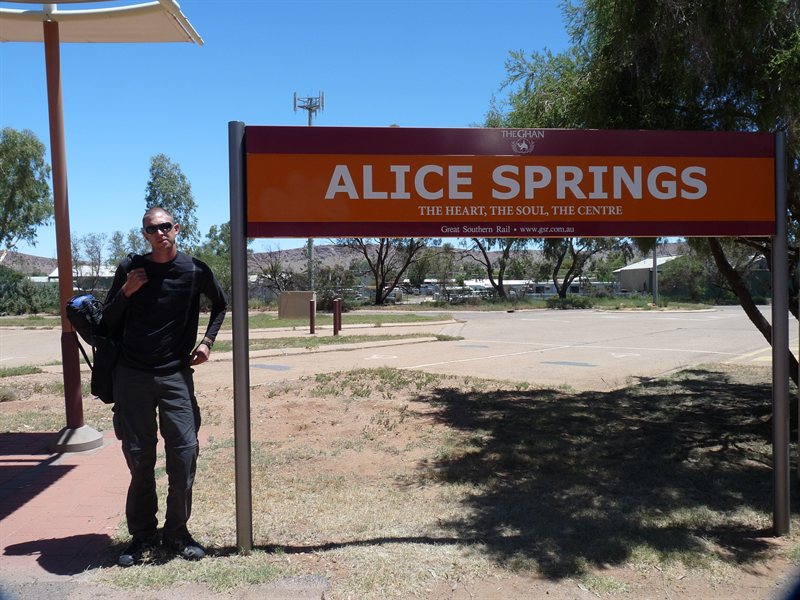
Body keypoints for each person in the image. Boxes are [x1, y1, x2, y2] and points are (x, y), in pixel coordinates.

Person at [103, 207, 228, 567]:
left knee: (184, 453)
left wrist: (207, 342)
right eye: (151, 229)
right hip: (132, 375)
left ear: (177, 228)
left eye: (164, 227)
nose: (159, 233)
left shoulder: (193, 270)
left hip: (175, 374)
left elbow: (220, 304)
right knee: (140, 457)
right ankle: (142, 535)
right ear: (144, 234)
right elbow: (107, 320)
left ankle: (177, 533)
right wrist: (126, 291)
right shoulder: (131, 269)